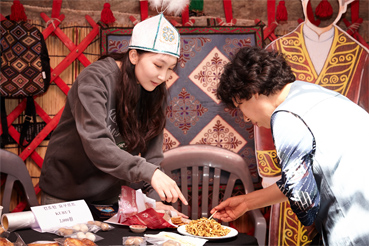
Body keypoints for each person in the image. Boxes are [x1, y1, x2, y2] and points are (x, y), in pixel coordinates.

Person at [211, 46, 369, 245]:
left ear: (253, 91)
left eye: (239, 106)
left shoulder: (287, 116)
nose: (244, 117)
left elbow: (302, 197)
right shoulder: (311, 92)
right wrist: (246, 202)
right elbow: (302, 179)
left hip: (355, 229)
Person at [39, 14, 188, 215]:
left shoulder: (155, 90)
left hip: (109, 196)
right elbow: (97, 144)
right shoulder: (96, 79)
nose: (163, 77)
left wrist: (154, 201)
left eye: (170, 68)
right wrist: (149, 173)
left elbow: (152, 156)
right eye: (158, 65)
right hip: (65, 193)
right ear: (134, 56)